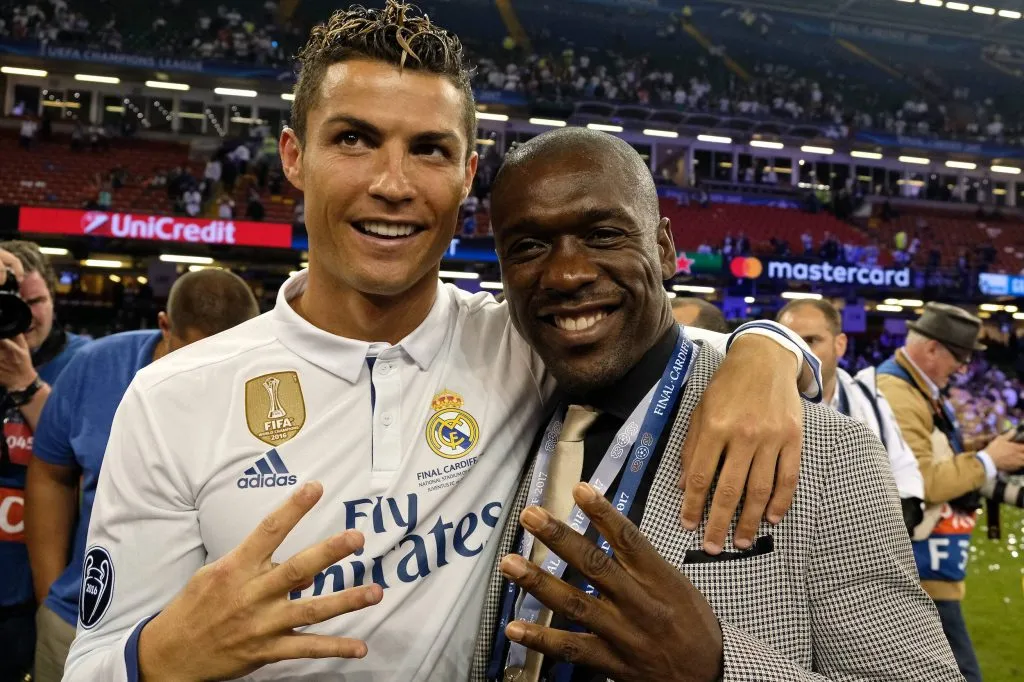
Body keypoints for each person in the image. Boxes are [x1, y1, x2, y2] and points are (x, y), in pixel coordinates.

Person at [63, 5, 824, 681]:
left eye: (427, 149)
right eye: (355, 139)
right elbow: (93, 664)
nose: (393, 183)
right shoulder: (174, 399)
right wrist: (157, 659)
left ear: (466, 175)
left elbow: (660, 341)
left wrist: (769, 351)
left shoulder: (521, 343)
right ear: (295, 157)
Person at [473, 128, 962, 682]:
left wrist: (717, 670)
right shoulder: (499, 410)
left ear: (663, 248)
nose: (566, 273)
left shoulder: (828, 453)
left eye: (604, 234)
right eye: (528, 247)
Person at [24, 269, 260, 682]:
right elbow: (50, 470)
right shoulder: (97, 366)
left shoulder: (272, 379)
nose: (215, 373)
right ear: (164, 326)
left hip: (220, 637)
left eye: (231, 357)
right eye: (199, 353)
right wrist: (50, 593)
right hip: (83, 622)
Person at [877, 303, 1024, 682]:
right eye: (960, 358)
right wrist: (989, 460)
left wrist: (984, 447)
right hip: (920, 566)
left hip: (926, 563)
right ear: (931, 350)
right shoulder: (898, 393)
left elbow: (933, 451)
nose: (963, 369)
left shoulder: (911, 387)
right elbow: (922, 481)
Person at [0, 242, 91, 681]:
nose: (28, 315)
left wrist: (24, 383)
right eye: (12, 303)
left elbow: (91, 458)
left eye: (36, 301)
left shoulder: (86, 363)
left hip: (39, 595)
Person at [777, 298, 925, 533]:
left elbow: (903, 468)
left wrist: (901, 516)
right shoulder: (761, 404)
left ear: (840, 344)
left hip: (862, 545)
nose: (799, 352)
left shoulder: (867, 397)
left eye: (811, 340)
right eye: (788, 341)